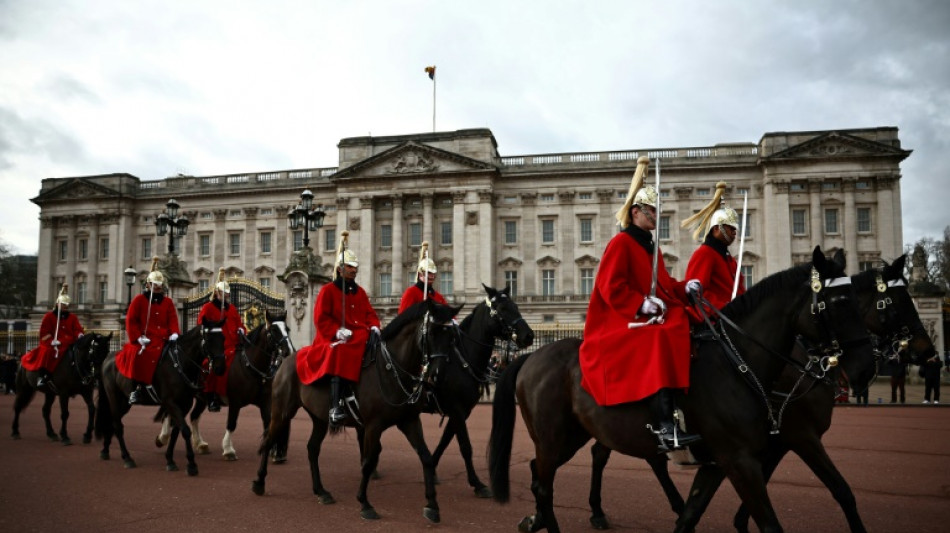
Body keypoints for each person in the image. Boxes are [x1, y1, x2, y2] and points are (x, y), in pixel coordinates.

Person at [579, 156, 702, 450]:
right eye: (651, 211)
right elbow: (610, 287)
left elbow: (664, 285)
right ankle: (664, 426)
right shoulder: (621, 243)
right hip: (619, 319)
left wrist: (687, 287)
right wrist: (641, 304)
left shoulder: (649, 247)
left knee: (686, 323)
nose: (656, 217)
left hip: (645, 313)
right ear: (636, 212)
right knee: (660, 336)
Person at [296, 232, 381, 425]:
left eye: (355, 267)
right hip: (332, 338)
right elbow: (321, 318)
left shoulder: (359, 292)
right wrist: (336, 331)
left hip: (359, 334)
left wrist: (375, 327)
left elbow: (369, 314)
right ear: (340, 269)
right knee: (341, 350)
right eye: (350, 267)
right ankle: (336, 405)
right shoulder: (328, 291)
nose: (354, 270)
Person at [115, 257, 181, 404]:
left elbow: (172, 319)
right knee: (138, 356)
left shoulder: (168, 302)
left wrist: (175, 333)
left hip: (163, 339)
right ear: (148, 285)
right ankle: (136, 388)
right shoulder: (139, 300)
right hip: (145, 339)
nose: (158, 288)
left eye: (159, 285)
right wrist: (138, 337)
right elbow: (131, 321)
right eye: (155, 285)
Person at [681, 182, 745, 312]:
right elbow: (697, 294)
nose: (734, 232)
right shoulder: (704, 254)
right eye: (730, 228)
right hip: (716, 318)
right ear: (716, 229)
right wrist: (725, 307)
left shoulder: (729, 259)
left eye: (735, 229)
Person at [197, 268, 245, 412]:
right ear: (217, 293)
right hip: (217, 347)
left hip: (234, 345)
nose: (227, 295)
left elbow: (239, 323)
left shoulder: (231, 309)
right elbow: (201, 325)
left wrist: (242, 330)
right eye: (225, 293)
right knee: (210, 367)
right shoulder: (208, 307)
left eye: (228, 293)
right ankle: (211, 397)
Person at [20, 284, 85, 390]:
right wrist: (51, 341)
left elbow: (77, 329)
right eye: (63, 304)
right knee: (47, 352)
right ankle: (43, 376)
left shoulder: (72, 317)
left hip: (69, 341)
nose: (65, 307)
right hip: (53, 343)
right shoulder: (49, 316)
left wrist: (80, 334)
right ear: (58, 304)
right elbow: (44, 332)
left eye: (67, 305)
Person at [398, 241, 447, 313]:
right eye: (429, 273)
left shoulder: (438, 296)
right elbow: (403, 316)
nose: (432, 276)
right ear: (420, 274)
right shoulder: (411, 293)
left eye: (433, 273)